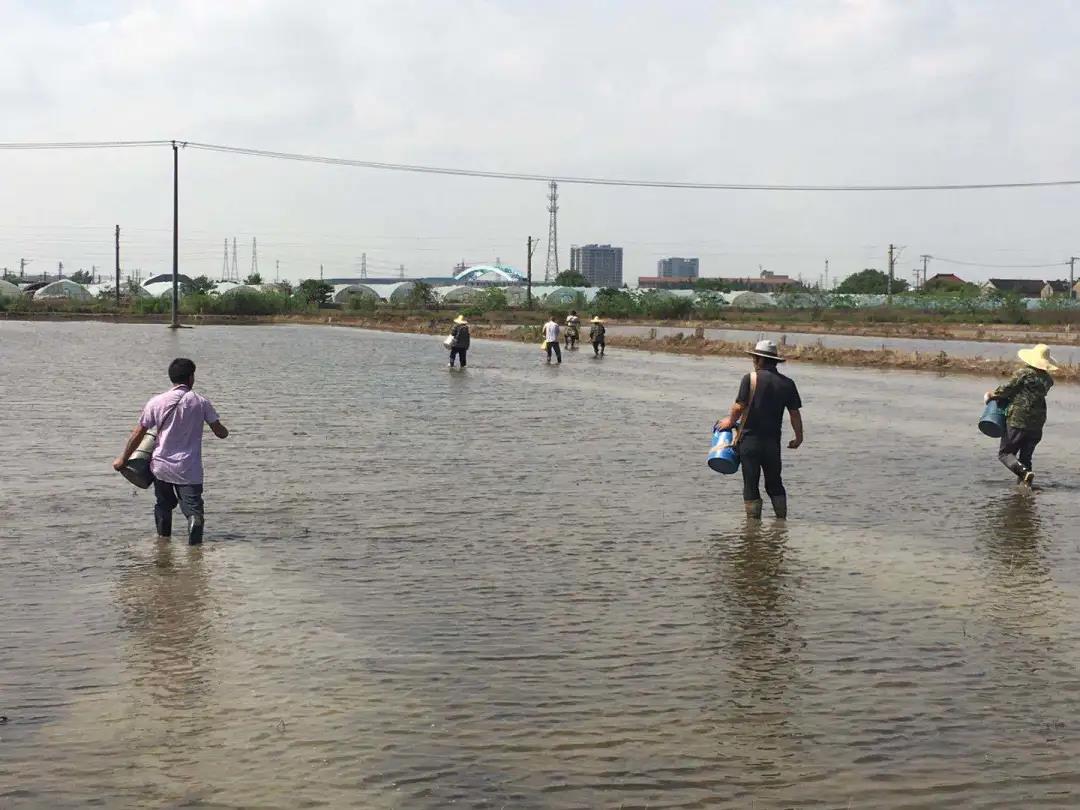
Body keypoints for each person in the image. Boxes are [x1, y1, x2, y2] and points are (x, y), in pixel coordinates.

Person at [113, 358, 229, 545]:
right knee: (194, 511)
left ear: (171, 378)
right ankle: (195, 553)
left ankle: (163, 544)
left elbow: (138, 433)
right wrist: (225, 431)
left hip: (161, 466)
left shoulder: (156, 401)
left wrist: (122, 459)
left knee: (164, 506)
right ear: (191, 378)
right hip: (189, 468)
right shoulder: (201, 402)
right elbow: (219, 432)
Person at [717, 340, 803, 520]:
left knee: (751, 484)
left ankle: (752, 530)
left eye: (755, 358)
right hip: (772, 444)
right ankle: (781, 522)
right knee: (774, 484)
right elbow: (794, 414)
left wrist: (729, 421)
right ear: (775, 361)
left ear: (759, 359)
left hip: (750, 442)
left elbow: (739, 406)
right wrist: (798, 438)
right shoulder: (787, 383)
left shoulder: (750, 379)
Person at [985, 343, 1057, 487]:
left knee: (1005, 454)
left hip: (1019, 420)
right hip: (1037, 423)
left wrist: (992, 395)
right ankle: (1024, 492)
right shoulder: (1048, 380)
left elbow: (1008, 389)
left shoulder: (1023, 373)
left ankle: (1023, 474)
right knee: (1026, 457)